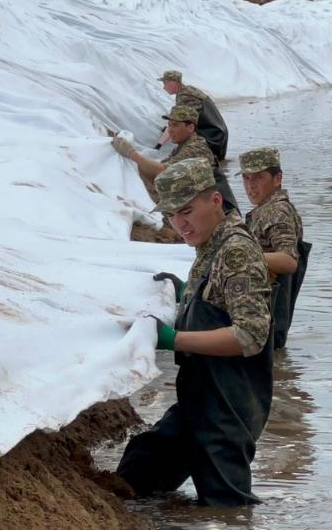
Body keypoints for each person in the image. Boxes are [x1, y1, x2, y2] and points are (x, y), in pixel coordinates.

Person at [117, 158, 274, 507]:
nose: (180, 223)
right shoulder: (210, 245)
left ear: (215, 201)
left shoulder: (235, 252)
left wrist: (172, 339)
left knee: (227, 512)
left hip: (228, 407)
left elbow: (250, 336)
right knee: (139, 469)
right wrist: (184, 292)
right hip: (200, 398)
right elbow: (218, 299)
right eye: (172, 214)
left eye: (187, 210)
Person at [239, 148, 310, 350]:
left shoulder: (276, 212)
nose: (250, 186)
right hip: (263, 314)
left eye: (259, 177)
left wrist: (238, 255)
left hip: (266, 316)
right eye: (246, 178)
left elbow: (289, 261)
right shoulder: (265, 210)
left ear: (277, 178)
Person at [113, 105, 240, 212]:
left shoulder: (196, 148)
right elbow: (157, 171)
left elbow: (162, 171)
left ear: (190, 128)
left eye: (175, 125)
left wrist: (131, 153)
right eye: (169, 125)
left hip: (220, 212)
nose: (170, 130)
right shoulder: (181, 147)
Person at [156, 70, 229, 163]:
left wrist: (158, 146)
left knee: (211, 165)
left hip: (211, 136)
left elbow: (178, 120)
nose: (164, 87)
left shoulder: (185, 96)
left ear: (173, 83)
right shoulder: (189, 90)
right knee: (218, 163)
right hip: (218, 132)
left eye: (165, 83)